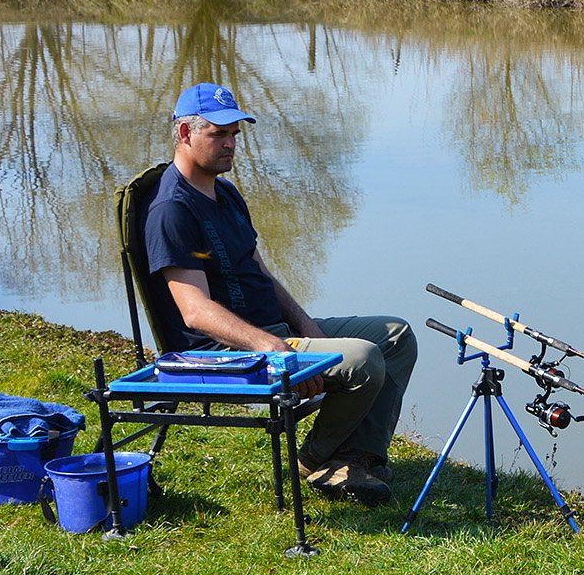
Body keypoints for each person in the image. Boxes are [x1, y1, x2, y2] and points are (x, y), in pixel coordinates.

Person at [144, 82, 415, 505]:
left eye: (235, 133)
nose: (231, 144)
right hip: (228, 352)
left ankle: (352, 458)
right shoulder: (171, 210)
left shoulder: (226, 193)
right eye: (219, 134)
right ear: (184, 134)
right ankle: (310, 461)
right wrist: (273, 347)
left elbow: (260, 272)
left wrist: (305, 326)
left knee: (395, 335)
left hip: (274, 332)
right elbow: (194, 312)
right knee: (364, 359)